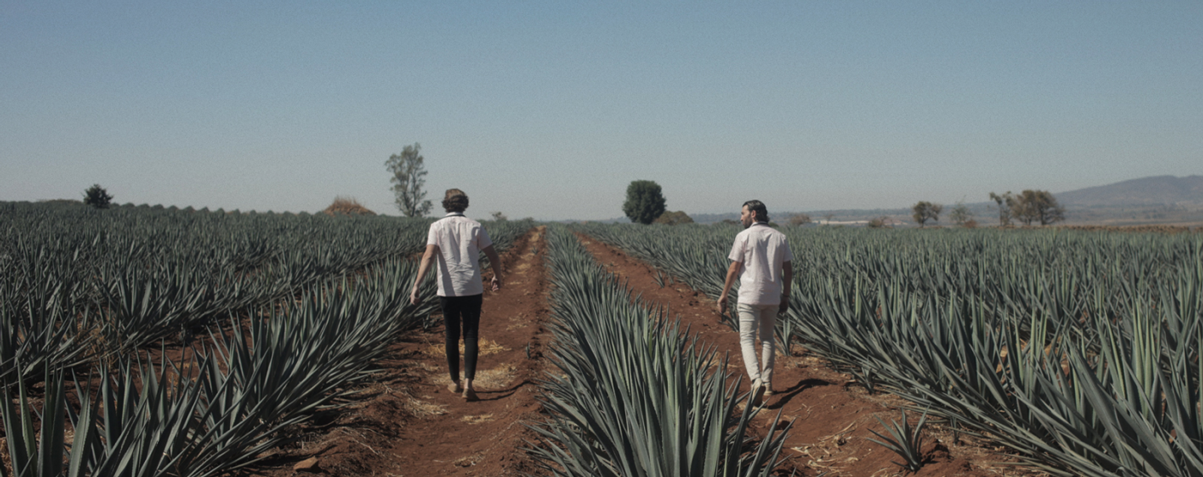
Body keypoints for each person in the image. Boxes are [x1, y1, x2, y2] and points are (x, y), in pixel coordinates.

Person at [411, 189, 504, 401]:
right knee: (471, 334)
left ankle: (454, 382)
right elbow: (493, 255)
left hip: (448, 290)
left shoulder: (437, 227)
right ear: (465, 204)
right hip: (472, 288)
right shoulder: (475, 226)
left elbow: (428, 255)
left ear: (446, 205)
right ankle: (469, 384)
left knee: (451, 335)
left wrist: (417, 285)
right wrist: (497, 277)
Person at [716, 200, 793, 406]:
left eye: (743, 213)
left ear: (754, 214)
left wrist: (723, 295)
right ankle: (767, 385)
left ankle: (756, 380)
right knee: (768, 338)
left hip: (749, 296)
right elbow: (788, 270)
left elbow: (734, 269)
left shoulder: (744, 236)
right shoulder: (780, 237)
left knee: (747, 340)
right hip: (772, 297)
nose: (740, 217)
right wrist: (785, 296)